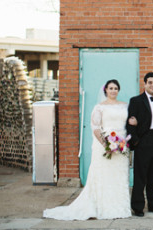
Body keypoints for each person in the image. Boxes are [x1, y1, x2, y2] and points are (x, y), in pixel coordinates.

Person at [43, 79, 137, 220]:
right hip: (106, 146)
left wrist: (133, 124)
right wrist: (107, 144)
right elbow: (96, 128)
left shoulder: (125, 106)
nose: (113, 91)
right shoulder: (99, 107)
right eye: (110, 88)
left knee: (119, 176)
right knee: (104, 175)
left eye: (116, 88)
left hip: (122, 145)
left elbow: (131, 122)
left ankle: (120, 207)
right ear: (105, 90)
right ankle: (103, 207)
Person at [126, 72, 153, 217]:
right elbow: (130, 124)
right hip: (143, 142)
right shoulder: (136, 101)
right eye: (150, 82)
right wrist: (136, 141)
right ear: (145, 84)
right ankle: (137, 207)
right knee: (140, 177)